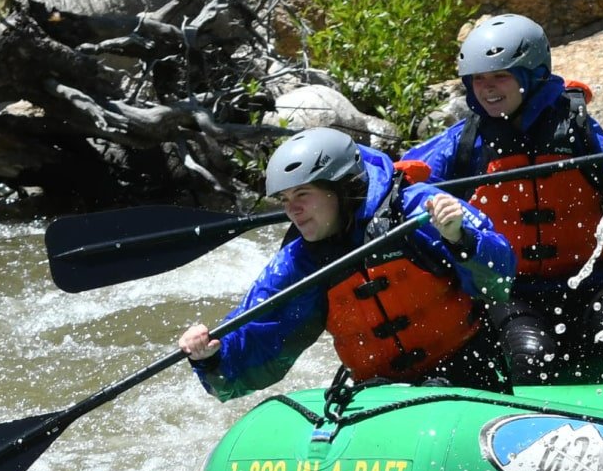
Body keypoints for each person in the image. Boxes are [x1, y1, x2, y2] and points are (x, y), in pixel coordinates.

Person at [399, 14, 603, 382]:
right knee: (532, 356)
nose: (488, 88)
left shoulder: (577, 126)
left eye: (500, 76)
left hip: (589, 282)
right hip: (512, 293)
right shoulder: (464, 142)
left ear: (531, 75)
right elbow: (404, 181)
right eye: (479, 79)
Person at [179, 126, 515, 399]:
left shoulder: (418, 209)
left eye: (303, 195)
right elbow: (261, 338)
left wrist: (461, 239)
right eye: (285, 200)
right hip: (380, 392)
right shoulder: (300, 260)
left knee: (437, 393)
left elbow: (501, 279)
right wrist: (212, 356)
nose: (292, 211)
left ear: (341, 188)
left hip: (468, 369)